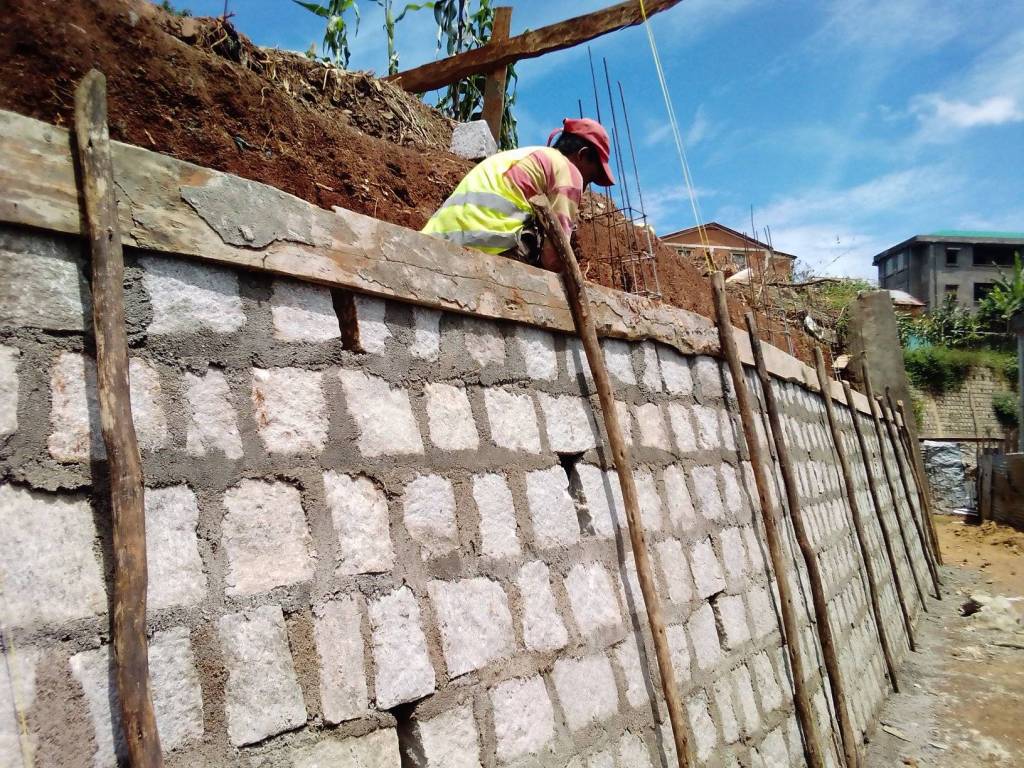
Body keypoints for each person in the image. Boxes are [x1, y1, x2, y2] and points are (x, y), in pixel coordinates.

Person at [421, 118, 615, 271]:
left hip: (433, 240)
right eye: (590, 178)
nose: (585, 188)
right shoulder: (568, 171)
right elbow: (554, 258)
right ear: (582, 154)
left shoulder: (522, 156)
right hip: (484, 243)